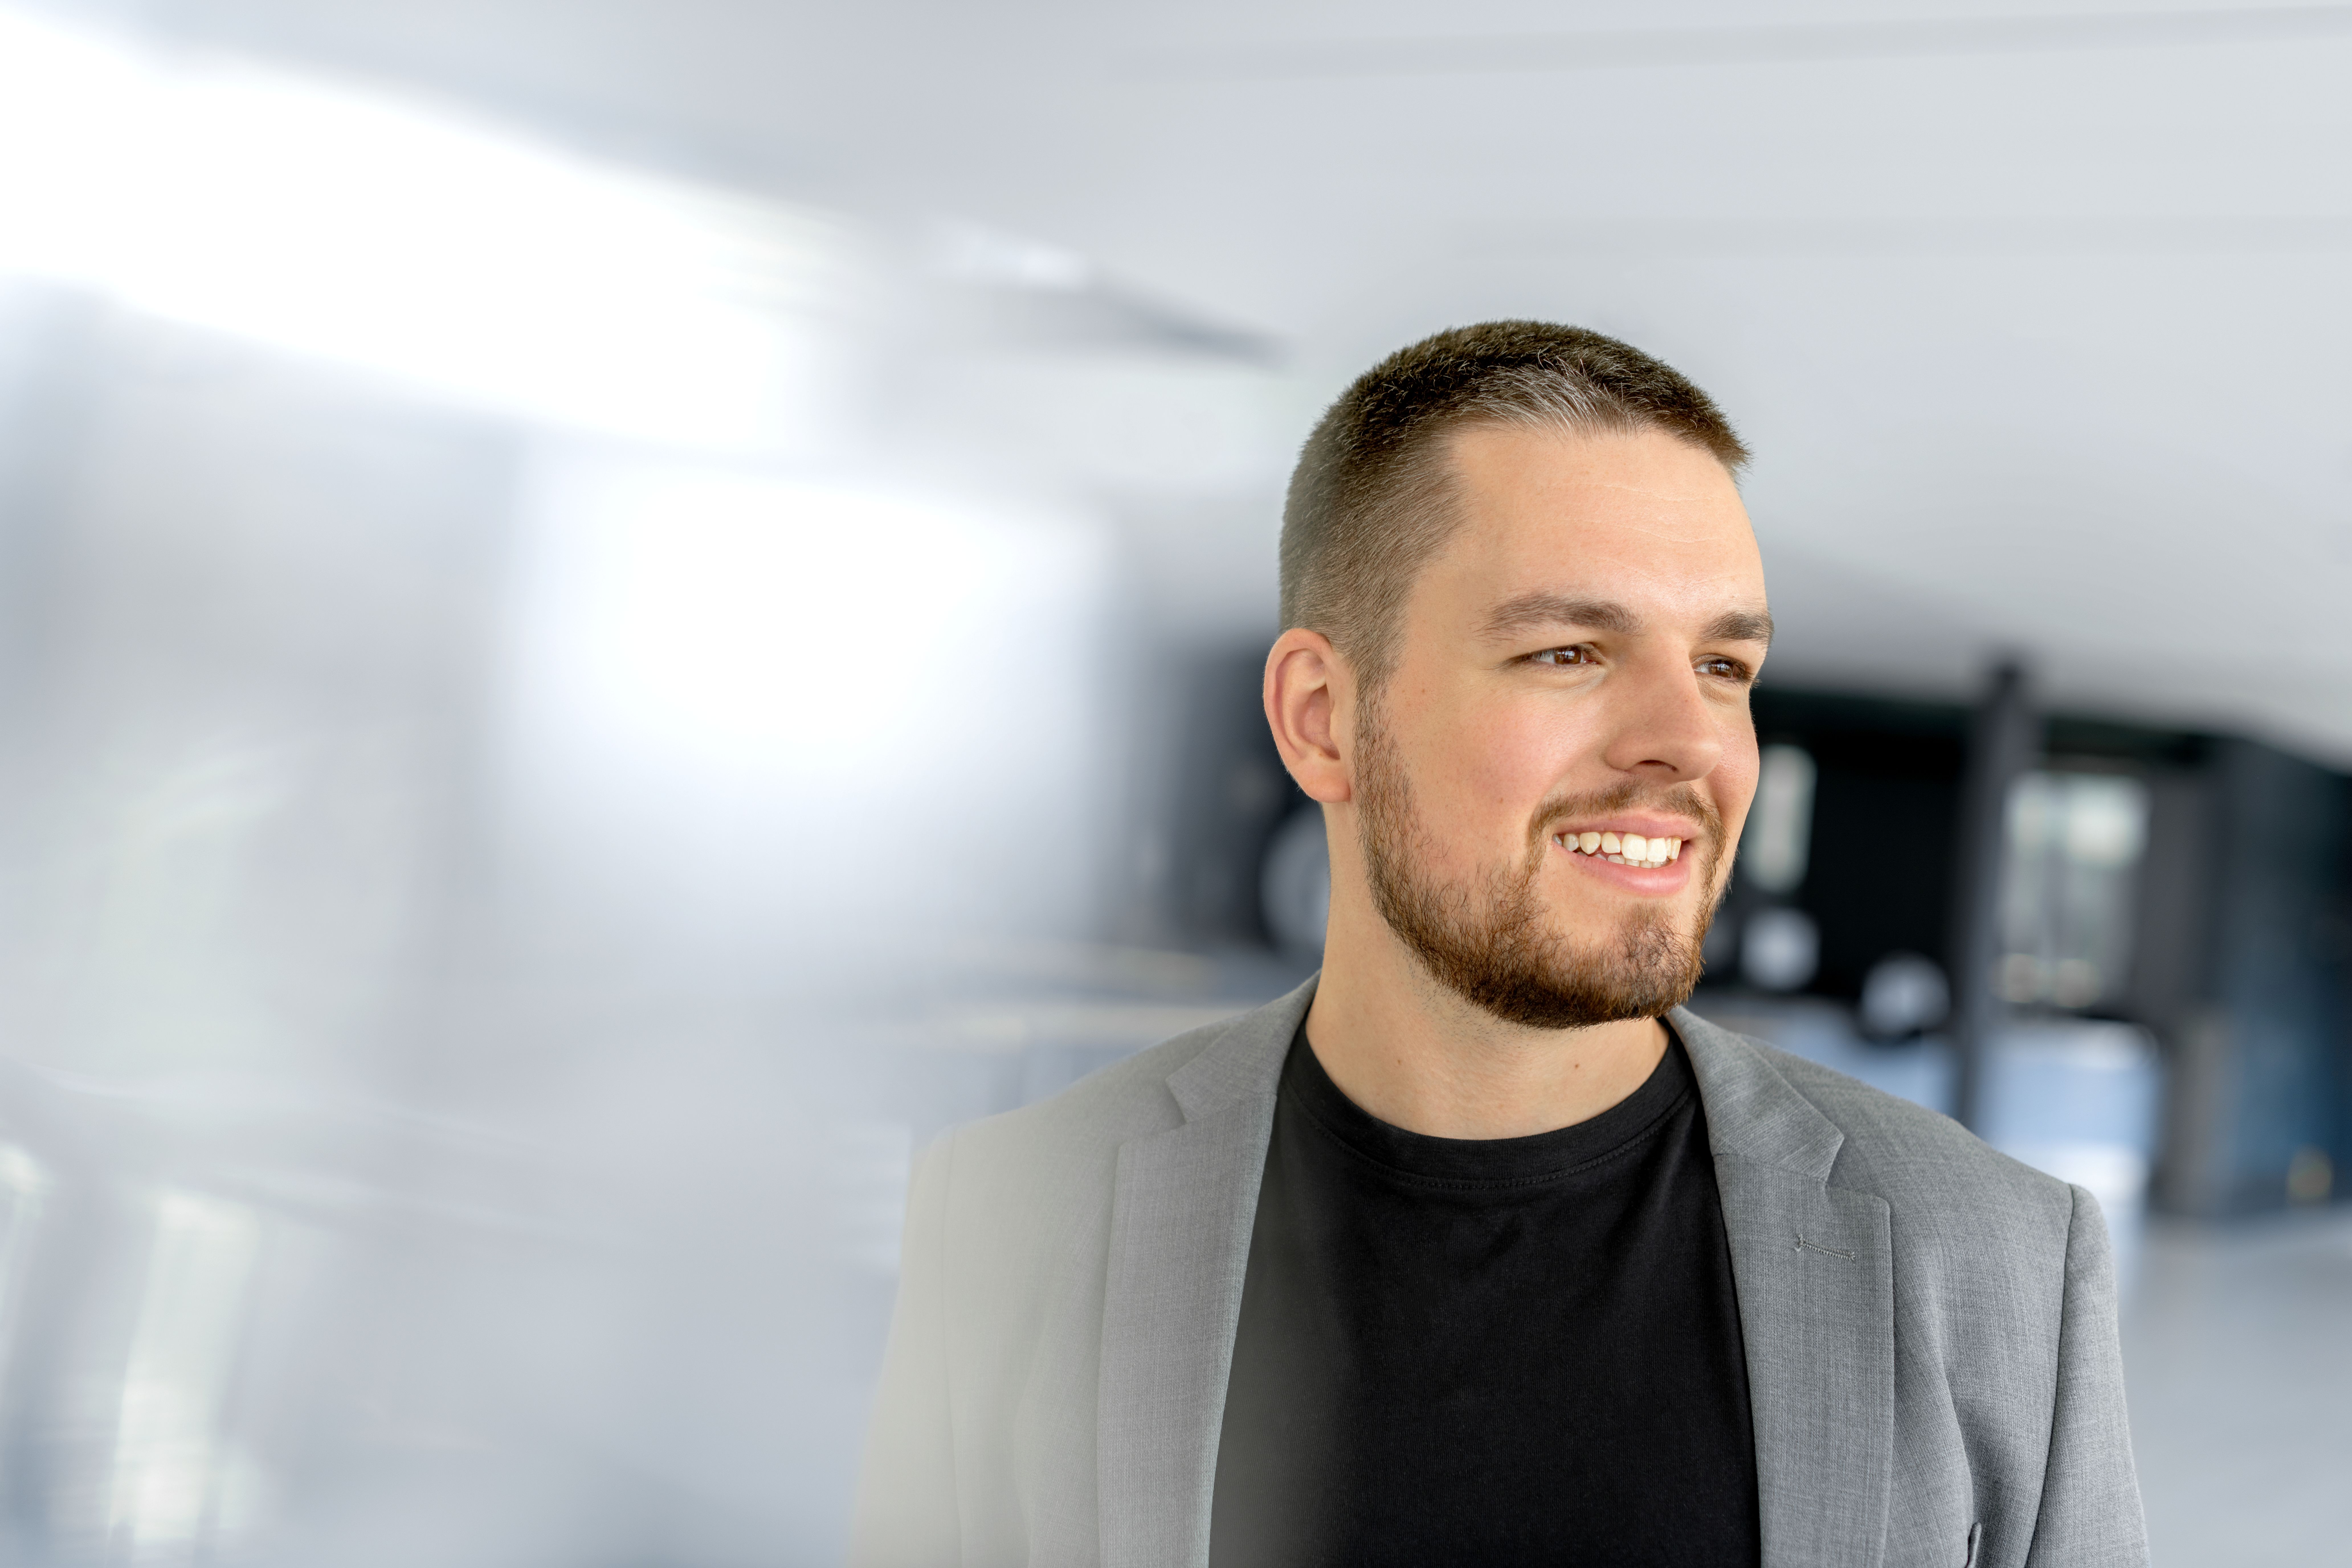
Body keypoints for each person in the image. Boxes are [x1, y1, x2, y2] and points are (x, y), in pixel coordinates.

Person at [850, 321, 2146, 1567]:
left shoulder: (1997, 1259)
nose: (1689, 741)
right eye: (1570, 650)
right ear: (1322, 720)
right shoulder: (1019, 1212)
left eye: (1722, 666)